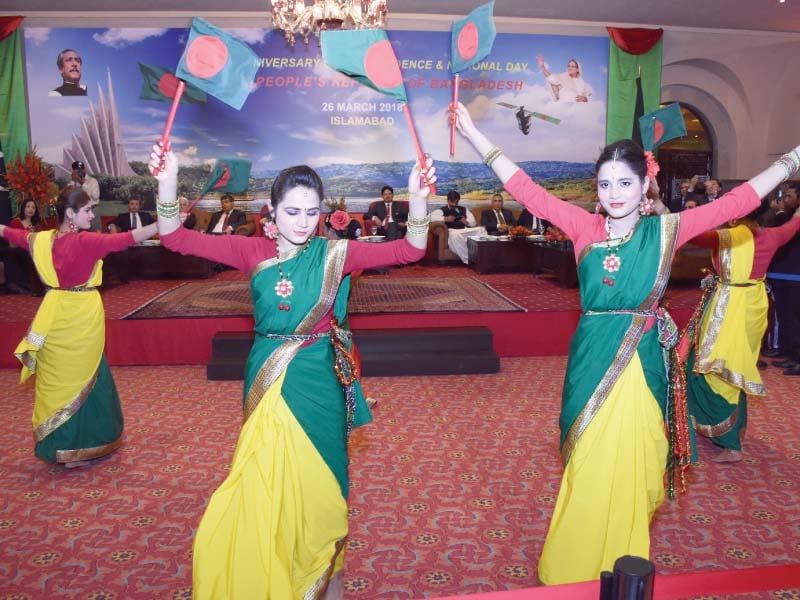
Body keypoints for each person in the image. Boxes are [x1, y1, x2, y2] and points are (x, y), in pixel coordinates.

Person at [450, 101, 799, 585]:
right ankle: (569, 569)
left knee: (639, 462)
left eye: (625, 183)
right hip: (593, 359)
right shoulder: (584, 228)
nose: (614, 193)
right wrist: (476, 139)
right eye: (605, 183)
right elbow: (525, 189)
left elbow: (735, 204)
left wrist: (793, 160)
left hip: (644, 362)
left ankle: (623, 567)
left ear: (644, 187)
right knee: (589, 461)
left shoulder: (665, 230)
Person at [148, 144, 435, 599]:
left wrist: (417, 199)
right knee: (264, 476)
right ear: (271, 210)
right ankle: (263, 566)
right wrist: (167, 182)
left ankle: (319, 568)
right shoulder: (252, 252)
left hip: (318, 377)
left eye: (312, 212)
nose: (303, 223)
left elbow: (411, 250)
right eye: (291, 211)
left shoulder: (336, 254)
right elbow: (175, 238)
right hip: (269, 374)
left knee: (323, 478)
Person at [0, 187, 157, 466]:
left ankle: (59, 446)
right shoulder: (86, 242)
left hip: (53, 315)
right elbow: (129, 238)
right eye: (87, 210)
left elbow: (8, 233)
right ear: (70, 213)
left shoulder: (39, 239)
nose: (92, 214)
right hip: (82, 318)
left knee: (56, 377)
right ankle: (83, 444)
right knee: (87, 374)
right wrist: (165, 223)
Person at [682, 202, 800, 463]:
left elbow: (690, 233)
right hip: (753, 305)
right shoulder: (772, 234)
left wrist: (659, 210)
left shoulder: (729, 236)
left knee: (717, 370)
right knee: (737, 366)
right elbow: (794, 224)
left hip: (729, 306)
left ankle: (731, 443)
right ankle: (726, 430)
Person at [3, 199, 43, 294]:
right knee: (17, 252)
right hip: (18, 250)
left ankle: (37, 287)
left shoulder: (37, 225)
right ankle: (18, 285)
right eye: (28, 206)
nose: (30, 209)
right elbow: (11, 243)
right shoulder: (16, 222)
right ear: (23, 208)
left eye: (33, 207)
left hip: (33, 251)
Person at [431, 190, 482, 264]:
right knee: (455, 236)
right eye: (452, 202)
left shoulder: (464, 209)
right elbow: (431, 217)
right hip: (452, 231)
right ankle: (469, 261)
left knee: (481, 230)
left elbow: (473, 222)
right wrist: (445, 218)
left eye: (456, 202)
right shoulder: (442, 210)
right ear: (448, 200)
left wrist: (466, 222)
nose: (454, 204)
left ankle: (484, 256)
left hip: (464, 230)